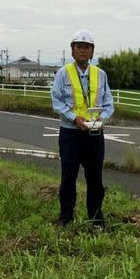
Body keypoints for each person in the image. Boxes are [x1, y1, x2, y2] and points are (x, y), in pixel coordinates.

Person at [51, 29, 114, 227]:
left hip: (95, 133)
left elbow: (109, 103)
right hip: (71, 132)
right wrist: (73, 118)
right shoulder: (63, 73)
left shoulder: (100, 74)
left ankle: (96, 219)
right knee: (68, 177)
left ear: (92, 51)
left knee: (95, 178)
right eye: (78, 46)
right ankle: (66, 218)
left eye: (87, 47)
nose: (82, 51)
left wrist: (103, 118)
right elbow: (57, 102)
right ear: (72, 50)